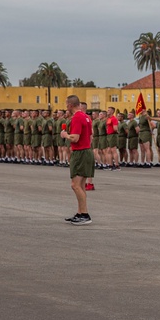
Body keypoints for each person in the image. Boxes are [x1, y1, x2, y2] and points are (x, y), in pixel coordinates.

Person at [61, 95, 93, 225]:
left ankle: (84, 214)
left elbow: (75, 138)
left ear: (70, 105)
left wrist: (65, 135)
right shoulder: (86, 117)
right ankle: (80, 212)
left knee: (75, 185)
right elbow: (90, 136)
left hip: (80, 152)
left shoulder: (77, 118)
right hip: (86, 151)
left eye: (66, 104)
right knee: (81, 185)